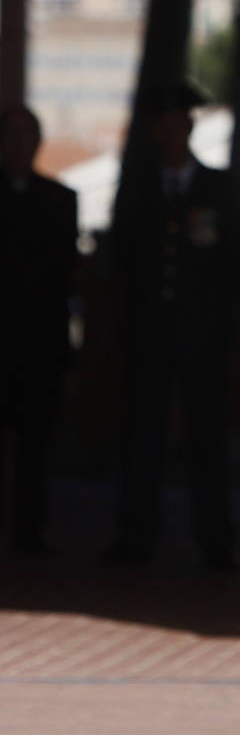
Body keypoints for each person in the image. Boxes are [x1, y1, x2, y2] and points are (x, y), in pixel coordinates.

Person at [104, 82, 240, 569]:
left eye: (178, 125)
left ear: (189, 128)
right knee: (142, 438)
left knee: (206, 440)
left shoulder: (217, 187)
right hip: (148, 339)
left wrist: (221, 323)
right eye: (162, 127)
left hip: (202, 341)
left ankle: (216, 541)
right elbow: (120, 266)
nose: (170, 134)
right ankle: (135, 536)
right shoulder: (139, 192)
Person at [0, 106, 78, 556]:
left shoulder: (59, 199)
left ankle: (29, 532)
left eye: (28, 135)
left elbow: (63, 274)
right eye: (12, 135)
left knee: (35, 446)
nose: (20, 144)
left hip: (39, 345)